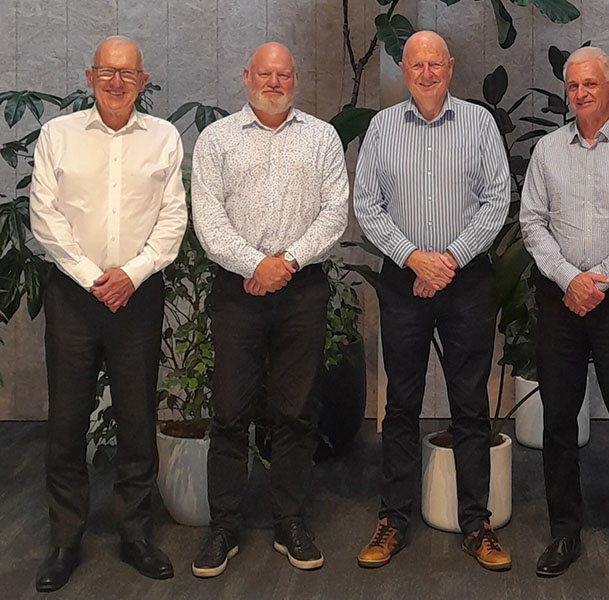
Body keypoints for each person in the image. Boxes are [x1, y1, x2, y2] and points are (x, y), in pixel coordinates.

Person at [29, 36, 187, 592]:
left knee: (137, 420)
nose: (116, 81)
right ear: (89, 75)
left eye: (128, 73)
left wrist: (131, 275)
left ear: (143, 82)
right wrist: (91, 275)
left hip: (137, 295)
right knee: (67, 422)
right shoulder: (58, 135)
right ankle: (64, 539)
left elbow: (172, 220)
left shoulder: (164, 138)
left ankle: (135, 533)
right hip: (74, 296)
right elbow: (43, 216)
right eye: (106, 71)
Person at [353, 30, 511, 571]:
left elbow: (497, 200)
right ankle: (393, 520)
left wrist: (448, 260)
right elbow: (367, 206)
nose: (425, 73)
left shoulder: (479, 124)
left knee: (470, 404)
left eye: (434, 64)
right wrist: (414, 258)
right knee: (400, 404)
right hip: (402, 281)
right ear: (404, 71)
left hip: (466, 282)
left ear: (450, 67)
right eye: (416, 64)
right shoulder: (380, 128)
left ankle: (476, 524)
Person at [190, 42, 348, 578]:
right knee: (230, 413)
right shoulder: (215, 141)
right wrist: (257, 265)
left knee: (295, 411)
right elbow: (208, 224)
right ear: (246, 77)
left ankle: (290, 521)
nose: (275, 82)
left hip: (302, 291)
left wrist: (287, 262)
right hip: (237, 294)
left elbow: (335, 215)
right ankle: (223, 528)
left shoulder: (322, 137)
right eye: (265, 73)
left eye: (284, 74)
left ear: (295, 80)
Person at [519, 46, 609, 588]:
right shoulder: (548, 150)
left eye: (590, 84)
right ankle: (564, 530)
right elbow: (532, 222)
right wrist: (568, 279)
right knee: (558, 422)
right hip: (560, 302)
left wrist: (597, 281)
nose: (580, 93)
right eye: (572, 85)